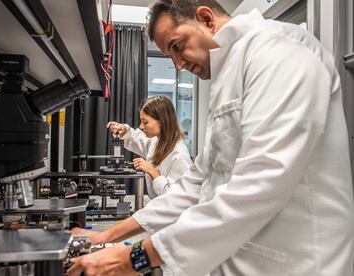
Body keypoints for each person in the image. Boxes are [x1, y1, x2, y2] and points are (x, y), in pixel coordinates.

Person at [68, 0, 354, 275]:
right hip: (239, 263)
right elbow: (198, 182)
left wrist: (137, 257)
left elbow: (264, 180)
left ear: (205, 19)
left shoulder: (278, 51)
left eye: (177, 46)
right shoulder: (227, 74)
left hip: (297, 266)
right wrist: (107, 236)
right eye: (170, 56)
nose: (178, 64)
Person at [107, 95, 192, 199]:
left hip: (171, 214)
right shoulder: (157, 141)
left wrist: (153, 171)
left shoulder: (180, 156)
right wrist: (125, 130)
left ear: (162, 121)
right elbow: (137, 140)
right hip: (157, 207)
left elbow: (177, 199)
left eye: (145, 122)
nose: (141, 126)